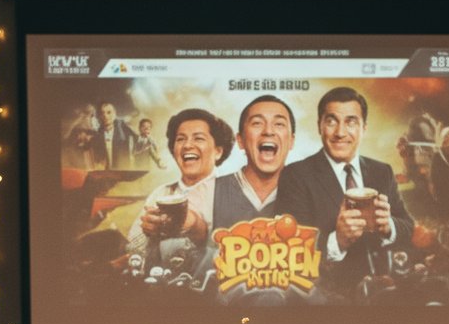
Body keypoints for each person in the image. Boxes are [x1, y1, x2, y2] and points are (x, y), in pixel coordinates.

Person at [276, 86, 414, 299]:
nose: (340, 132)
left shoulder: (382, 171)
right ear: (320, 126)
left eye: (351, 122)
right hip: (329, 301)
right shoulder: (296, 175)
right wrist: (338, 241)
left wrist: (389, 227)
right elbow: (288, 249)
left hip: (387, 296)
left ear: (363, 128)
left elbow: (407, 226)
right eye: (331, 121)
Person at [125, 107, 235, 274]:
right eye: (180, 139)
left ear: (218, 151)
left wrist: (194, 225)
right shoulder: (160, 193)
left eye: (198, 138)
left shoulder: (234, 194)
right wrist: (149, 234)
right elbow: (133, 250)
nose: (187, 145)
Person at [212, 95, 296, 231]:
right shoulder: (211, 191)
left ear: (291, 141)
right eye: (257, 123)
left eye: (279, 124)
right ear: (240, 140)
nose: (268, 131)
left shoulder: (307, 194)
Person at [91, 102, 136, 170]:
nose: (105, 116)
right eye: (102, 113)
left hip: (123, 172)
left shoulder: (124, 130)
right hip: (105, 174)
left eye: (109, 112)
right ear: (100, 116)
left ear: (115, 114)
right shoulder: (97, 136)